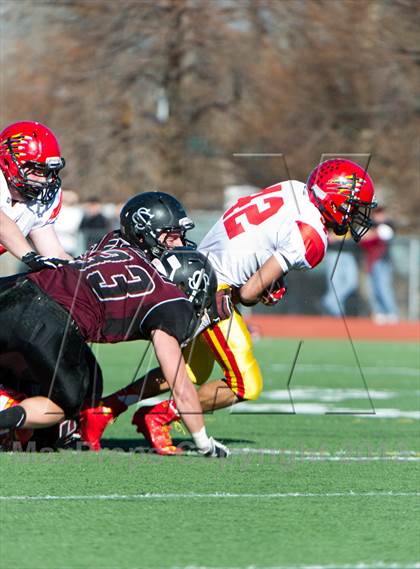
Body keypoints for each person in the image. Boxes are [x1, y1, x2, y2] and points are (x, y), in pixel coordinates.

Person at [82, 158, 377, 454]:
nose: (355, 216)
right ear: (333, 200)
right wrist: (265, 289)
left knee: (191, 369)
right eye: (353, 206)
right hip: (213, 289)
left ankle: (108, 408)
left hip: (198, 267)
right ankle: (161, 415)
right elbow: (249, 292)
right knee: (245, 383)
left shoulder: (294, 188)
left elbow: (256, 233)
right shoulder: (311, 236)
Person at [0, 232, 229, 457]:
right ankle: (7, 419)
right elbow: (179, 384)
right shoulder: (172, 301)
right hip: (51, 318)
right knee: (65, 403)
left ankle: (14, 412)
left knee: (88, 373)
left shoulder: (124, 250)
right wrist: (203, 442)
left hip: (21, 287)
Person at [0, 121, 72, 271]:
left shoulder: (39, 201)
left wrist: (82, 270)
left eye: (47, 172)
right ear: (8, 162)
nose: (44, 180)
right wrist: (30, 257)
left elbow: (55, 253)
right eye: (37, 171)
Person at [359, 205, 399, 324]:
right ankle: (379, 312)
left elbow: (383, 234)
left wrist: (373, 234)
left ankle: (391, 312)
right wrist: (372, 234)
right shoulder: (370, 225)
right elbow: (363, 239)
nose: (379, 216)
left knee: (383, 287)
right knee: (373, 288)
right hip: (371, 262)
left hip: (383, 261)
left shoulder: (388, 225)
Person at [321, 231, 359, 317]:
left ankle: (329, 301)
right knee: (334, 284)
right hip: (333, 253)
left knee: (352, 283)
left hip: (349, 253)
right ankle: (337, 314)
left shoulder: (352, 218)